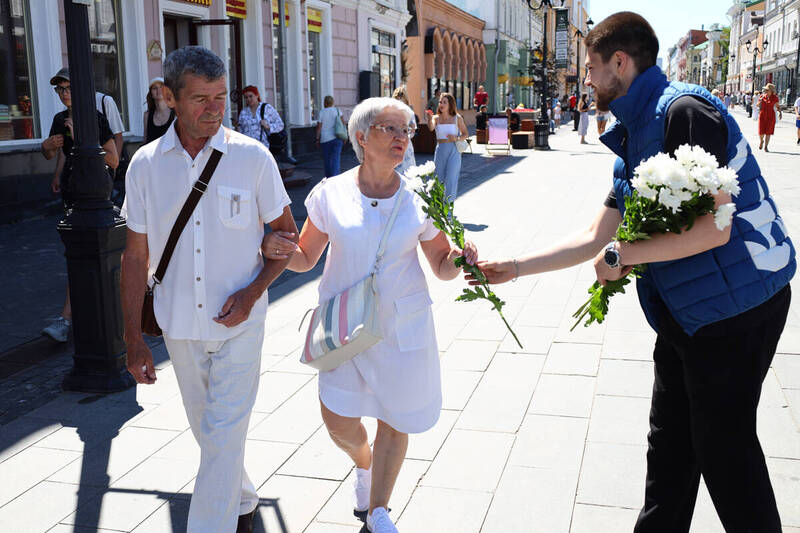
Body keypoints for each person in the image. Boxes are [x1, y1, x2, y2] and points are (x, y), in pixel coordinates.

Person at [475, 12, 794, 533]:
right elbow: (596, 236)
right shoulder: (633, 133)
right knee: (669, 446)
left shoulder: (686, 112)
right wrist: (511, 268)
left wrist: (626, 257)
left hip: (738, 309)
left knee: (724, 452)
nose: (588, 81)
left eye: (592, 69)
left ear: (619, 63)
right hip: (685, 315)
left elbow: (716, 228)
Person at [261, 96, 478, 533]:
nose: (403, 138)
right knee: (338, 419)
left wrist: (460, 259)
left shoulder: (420, 196)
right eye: (391, 129)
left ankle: (378, 510)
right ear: (361, 137)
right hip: (345, 327)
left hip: (402, 327)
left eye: (408, 130)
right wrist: (277, 250)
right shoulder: (331, 194)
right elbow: (305, 258)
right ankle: (363, 463)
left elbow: (440, 266)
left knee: (395, 418)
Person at [120, 46, 298, 533]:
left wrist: (255, 289)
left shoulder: (252, 158)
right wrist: (133, 339)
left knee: (220, 433)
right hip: (179, 325)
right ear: (169, 98)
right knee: (210, 432)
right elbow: (135, 257)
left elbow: (287, 236)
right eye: (201, 98)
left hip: (241, 323)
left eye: (220, 96)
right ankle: (241, 500)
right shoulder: (144, 165)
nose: (215, 108)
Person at [40, 67, 118, 343]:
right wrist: (49, 146)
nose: (63, 94)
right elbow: (53, 153)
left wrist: (87, 140)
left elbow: (114, 159)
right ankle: (78, 317)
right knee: (77, 255)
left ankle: (72, 318)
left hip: (96, 195)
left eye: (68, 88)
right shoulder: (59, 119)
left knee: (93, 255)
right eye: (60, 89)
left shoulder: (95, 119)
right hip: (72, 195)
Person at [426, 92, 469, 202]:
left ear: (450, 104)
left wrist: (457, 138)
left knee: (451, 180)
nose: (441, 104)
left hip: (454, 151)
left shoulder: (457, 118)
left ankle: (448, 210)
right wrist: (428, 118)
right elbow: (430, 128)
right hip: (440, 150)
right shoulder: (436, 118)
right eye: (440, 102)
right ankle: (438, 208)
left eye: (444, 102)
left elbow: (465, 134)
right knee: (438, 179)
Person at [237, 85, 284, 151]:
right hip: (248, 148)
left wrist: (268, 126)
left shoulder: (267, 108)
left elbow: (280, 125)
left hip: (263, 147)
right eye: (246, 97)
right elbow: (241, 130)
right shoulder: (243, 112)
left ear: (257, 95)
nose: (248, 99)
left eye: (251, 96)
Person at [316, 95, 347, 178]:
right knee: (336, 159)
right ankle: (335, 178)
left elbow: (319, 127)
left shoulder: (322, 112)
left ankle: (328, 178)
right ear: (333, 102)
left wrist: (317, 139)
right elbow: (343, 124)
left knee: (327, 160)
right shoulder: (337, 111)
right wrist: (345, 136)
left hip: (325, 139)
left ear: (324, 103)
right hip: (337, 137)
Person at [391, 85, 417, 175]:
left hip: (406, 146)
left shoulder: (409, 113)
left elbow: (413, 129)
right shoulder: (390, 113)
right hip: (392, 144)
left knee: (408, 171)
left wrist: (407, 136)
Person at [143, 77, 175, 142]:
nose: (159, 90)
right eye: (155, 88)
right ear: (151, 93)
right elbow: (145, 140)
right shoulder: (147, 115)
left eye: (161, 87)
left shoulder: (176, 113)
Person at [758, 83, 782, 152]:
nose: (766, 91)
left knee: (768, 132)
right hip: (762, 115)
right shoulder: (762, 96)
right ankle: (761, 141)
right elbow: (757, 105)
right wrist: (761, 100)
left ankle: (766, 146)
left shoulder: (775, 98)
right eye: (765, 90)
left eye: (767, 90)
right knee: (761, 132)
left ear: (771, 91)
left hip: (771, 116)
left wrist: (780, 113)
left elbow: (777, 106)